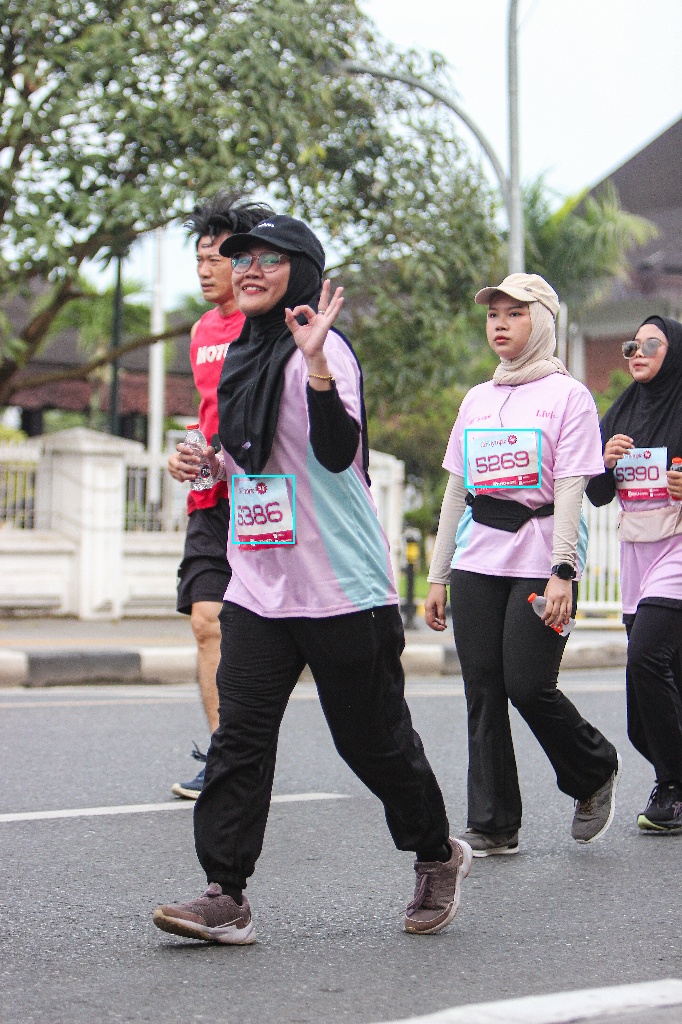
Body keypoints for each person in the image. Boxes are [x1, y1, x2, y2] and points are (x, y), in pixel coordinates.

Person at [153, 214, 471, 944]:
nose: (249, 270)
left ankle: (435, 852)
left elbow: (334, 452)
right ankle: (225, 893)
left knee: (372, 742)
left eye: (268, 259)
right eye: (241, 259)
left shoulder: (323, 351)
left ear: (301, 270)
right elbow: (247, 457)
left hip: (340, 587)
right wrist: (204, 462)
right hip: (258, 586)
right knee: (239, 738)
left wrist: (319, 364)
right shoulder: (239, 357)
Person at [424, 273, 621, 858]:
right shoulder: (477, 399)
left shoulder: (569, 397)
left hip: (541, 557)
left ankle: (593, 768)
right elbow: (457, 489)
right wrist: (438, 575)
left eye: (515, 313)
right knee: (482, 688)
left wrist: (563, 571)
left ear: (543, 322)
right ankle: (493, 822)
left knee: (529, 684)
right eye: (494, 315)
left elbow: (571, 487)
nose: (501, 324)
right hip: (478, 557)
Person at [168, 191, 273, 799]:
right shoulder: (201, 330)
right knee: (206, 621)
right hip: (210, 501)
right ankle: (223, 757)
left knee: (268, 635)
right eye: (199, 260)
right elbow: (206, 413)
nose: (206, 270)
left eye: (216, 258)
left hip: (263, 499)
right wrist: (185, 454)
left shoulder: (268, 326)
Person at [586, 316, 682, 833]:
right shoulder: (622, 410)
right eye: (631, 345)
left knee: (646, 658)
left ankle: (672, 785)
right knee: (642, 712)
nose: (637, 352)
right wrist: (603, 461)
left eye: (651, 344)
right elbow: (598, 494)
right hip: (636, 557)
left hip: (679, 551)